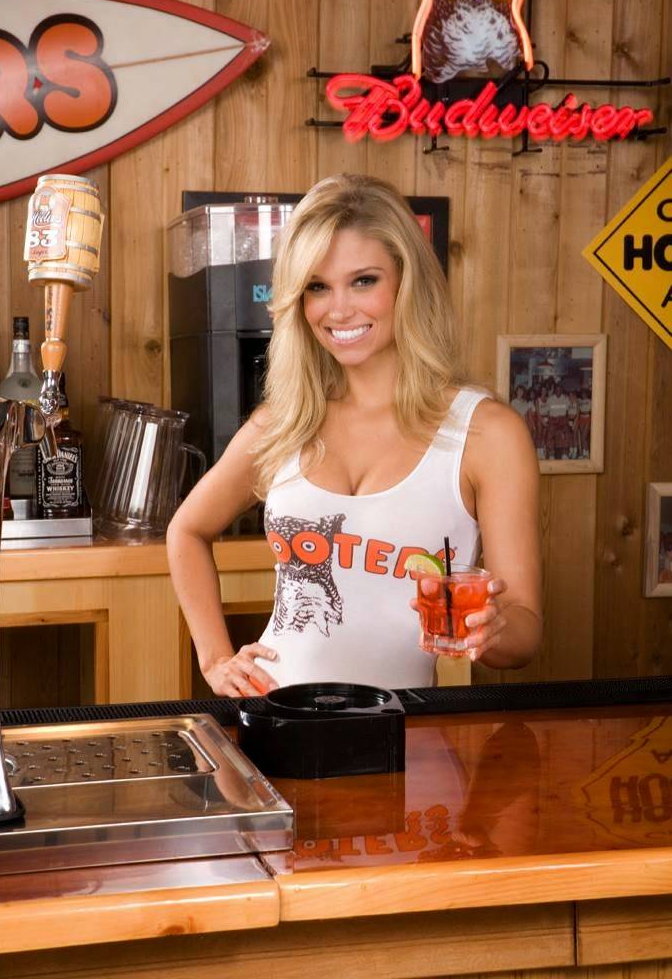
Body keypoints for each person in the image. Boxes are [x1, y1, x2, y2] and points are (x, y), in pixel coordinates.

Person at [167, 174, 542, 697]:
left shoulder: (485, 433)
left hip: (405, 728)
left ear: (407, 282)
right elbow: (186, 531)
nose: (338, 309)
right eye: (317, 286)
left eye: (363, 281)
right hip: (276, 715)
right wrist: (215, 659)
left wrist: (493, 629)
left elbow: (525, 632)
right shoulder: (283, 422)